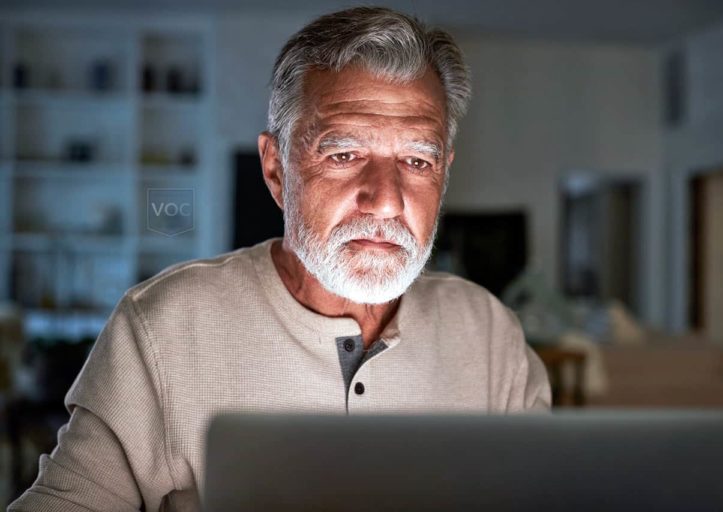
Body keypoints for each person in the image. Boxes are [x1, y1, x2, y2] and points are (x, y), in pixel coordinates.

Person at [9, 6, 550, 511]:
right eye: (344, 154)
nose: (386, 197)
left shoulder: (490, 337)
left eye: (417, 159)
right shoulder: (163, 329)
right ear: (276, 171)